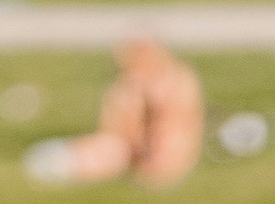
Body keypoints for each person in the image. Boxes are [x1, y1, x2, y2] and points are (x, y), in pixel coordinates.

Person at [24, 35, 205, 188]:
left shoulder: (175, 80)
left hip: (159, 150)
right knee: (108, 149)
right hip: (133, 146)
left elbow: (172, 126)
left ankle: (66, 161)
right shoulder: (128, 86)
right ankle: (65, 160)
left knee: (117, 151)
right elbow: (113, 126)